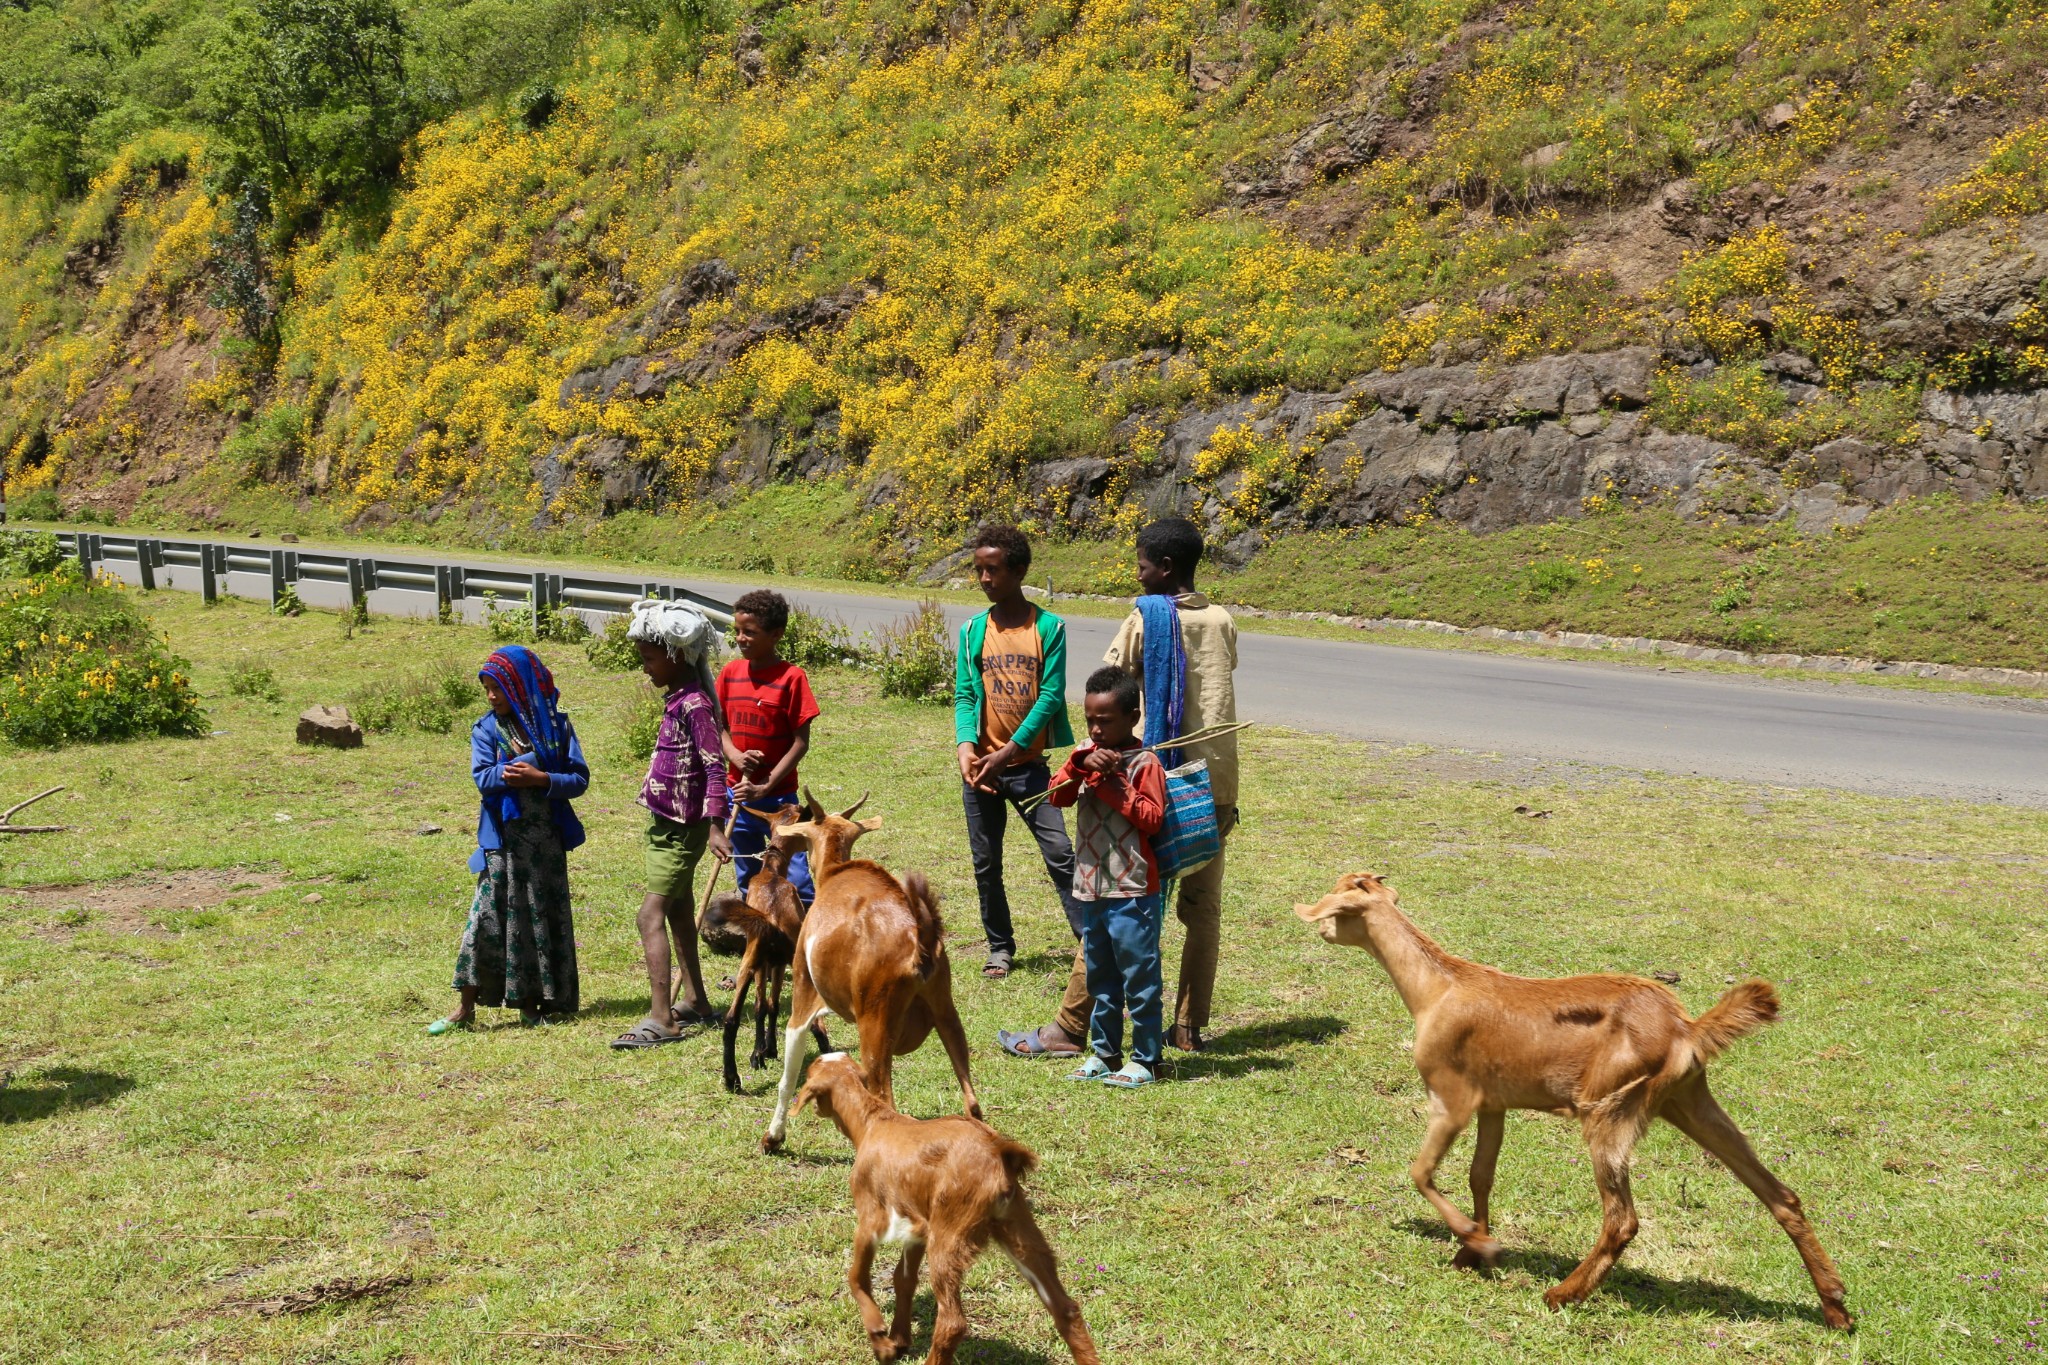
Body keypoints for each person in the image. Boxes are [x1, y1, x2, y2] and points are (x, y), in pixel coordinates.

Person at [998, 516, 1238, 1058]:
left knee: (1115, 893)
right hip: (1214, 782)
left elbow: (1110, 684)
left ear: (1165, 568)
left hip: (1148, 779)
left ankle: (1069, 1027)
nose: (1139, 575)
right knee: (1203, 911)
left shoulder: (1146, 618)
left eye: (1142, 565)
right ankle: (1188, 1028)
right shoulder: (1223, 619)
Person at [431, 645, 589, 1033]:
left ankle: (532, 1004)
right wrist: (521, 765)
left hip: (545, 843)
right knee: (486, 918)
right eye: (486, 688)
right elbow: (483, 777)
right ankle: (465, 1008)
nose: (491, 696)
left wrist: (542, 779)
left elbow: (579, 779)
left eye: (497, 688)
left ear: (519, 687)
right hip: (503, 843)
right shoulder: (486, 729)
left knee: (538, 917)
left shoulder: (557, 728)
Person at [952, 523, 1082, 979]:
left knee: (1061, 854)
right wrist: (967, 749)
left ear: (1020, 570)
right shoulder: (973, 630)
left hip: (1027, 770)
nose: (985, 579)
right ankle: (999, 948)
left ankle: (1089, 945)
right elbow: (966, 695)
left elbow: (1050, 696)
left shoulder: (1048, 627)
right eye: (979, 571)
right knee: (986, 863)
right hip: (981, 774)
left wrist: (1008, 752)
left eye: (994, 570)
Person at [612, 599, 735, 1050]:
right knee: (681, 912)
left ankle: (662, 1017)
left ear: (678, 655)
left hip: (684, 829)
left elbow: (715, 766)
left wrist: (716, 825)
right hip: (665, 823)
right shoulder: (680, 699)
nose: (645, 668)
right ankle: (698, 1001)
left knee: (651, 915)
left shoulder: (696, 705)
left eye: (648, 658)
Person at [1046, 665, 1166, 1089]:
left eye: (1106, 721)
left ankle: (1147, 1059)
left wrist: (1112, 782)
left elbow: (1151, 819)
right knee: (1100, 976)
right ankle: (1105, 1053)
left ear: (1133, 717)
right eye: (1090, 720)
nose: (1096, 730)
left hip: (1132, 890)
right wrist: (1080, 764)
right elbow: (1055, 794)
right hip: (1092, 887)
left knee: (1139, 976)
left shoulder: (1145, 762)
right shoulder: (1084, 754)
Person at [718, 589, 820, 903]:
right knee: (749, 875)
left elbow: (800, 743)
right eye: (737, 630)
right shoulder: (730, 673)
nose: (740, 638)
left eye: (750, 632)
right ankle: (760, 938)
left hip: (780, 801)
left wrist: (766, 785)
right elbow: (718, 726)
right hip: (739, 795)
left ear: (776, 634)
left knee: (797, 877)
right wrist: (734, 754)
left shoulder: (791, 678)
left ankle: (803, 939)